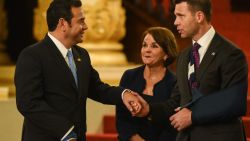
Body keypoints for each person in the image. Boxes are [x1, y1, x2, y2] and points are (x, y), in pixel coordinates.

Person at [14, 0, 142, 141]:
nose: (85, 27)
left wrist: (123, 95)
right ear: (63, 24)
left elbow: (97, 88)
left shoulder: (81, 55)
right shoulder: (32, 56)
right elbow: (28, 103)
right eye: (81, 21)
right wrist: (65, 131)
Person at [133, 0, 248, 141]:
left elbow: (234, 102)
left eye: (181, 16)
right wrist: (148, 110)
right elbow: (178, 100)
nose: (175, 22)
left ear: (199, 17)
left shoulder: (231, 53)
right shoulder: (183, 56)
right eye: (175, 16)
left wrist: (193, 115)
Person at [116, 27, 178, 141]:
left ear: (166, 54)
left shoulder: (175, 82)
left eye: (154, 46)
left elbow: (172, 124)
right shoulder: (129, 76)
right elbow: (122, 118)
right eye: (144, 45)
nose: (147, 50)